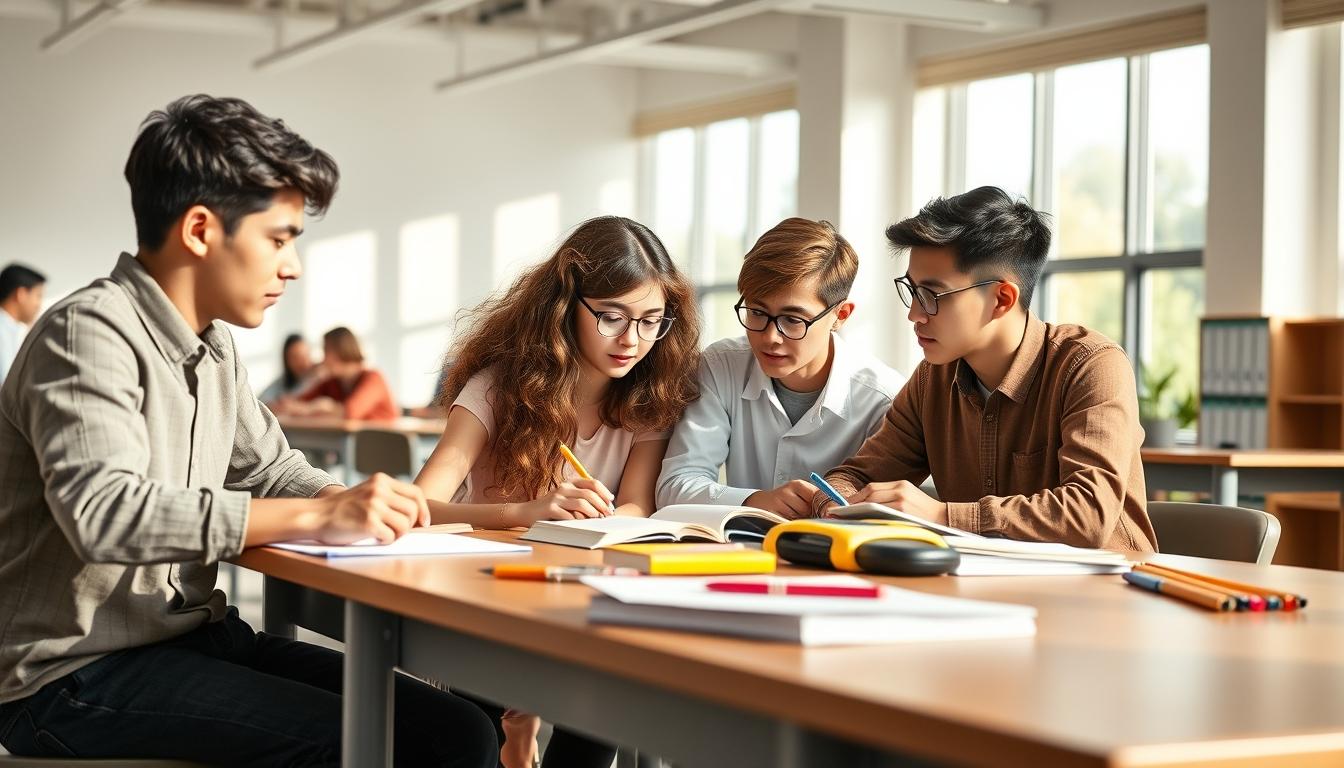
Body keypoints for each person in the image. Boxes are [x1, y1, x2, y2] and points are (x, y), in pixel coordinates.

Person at [0, 94, 497, 766]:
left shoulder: (214, 346)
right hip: (73, 676)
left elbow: (272, 470)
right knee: (389, 744)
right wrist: (317, 517)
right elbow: (104, 513)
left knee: (459, 729)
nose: (292, 267)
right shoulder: (87, 332)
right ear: (201, 230)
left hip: (191, 639)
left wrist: (354, 503)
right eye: (280, 238)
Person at [414, 215, 701, 768]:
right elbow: (421, 504)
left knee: (601, 714)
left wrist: (608, 518)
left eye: (650, 321)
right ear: (565, 306)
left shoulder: (647, 400)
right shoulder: (496, 388)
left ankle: (522, 731)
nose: (632, 340)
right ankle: (514, 734)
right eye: (612, 317)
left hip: (581, 595)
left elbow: (638, 505)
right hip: (491, 595)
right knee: (477, 723)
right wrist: (529, 511)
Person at [813, 186, 1158, 552]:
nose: (913, 314)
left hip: (1106, 595)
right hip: (986, 589)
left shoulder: (1090, 366)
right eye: (912, 291)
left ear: (1001, 299)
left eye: (931, 295)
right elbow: (855, 475)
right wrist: (836, 503)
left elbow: (1088, 515)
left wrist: (943, 516)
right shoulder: (933, 378)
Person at [656, 218, 904, 518]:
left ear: (841, 315)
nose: (770, 337)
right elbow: (674, 486)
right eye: (757, 312)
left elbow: (880, 517)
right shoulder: (721, 365)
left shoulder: (884, 399)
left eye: (792, 319)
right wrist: (755, 500)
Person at [276, 326, 398, 420]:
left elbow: (351, 412)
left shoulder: (373, 378)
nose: (323, 359)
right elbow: (299, 401)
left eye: (326, 350)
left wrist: (315, 408)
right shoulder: (333, 382)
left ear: (340, 350)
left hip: (386, 447)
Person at [0, 263, 46, 383]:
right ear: (21, 294)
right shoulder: (3, 332)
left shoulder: (12, 330)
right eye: (38, 296)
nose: (39, 305)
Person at [257, 332, 318, 405]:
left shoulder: (321, 378)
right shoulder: (282, 383)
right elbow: (261, 401)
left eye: (305, 355)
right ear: (286, 360)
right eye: (296, 358)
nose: (303, 362)